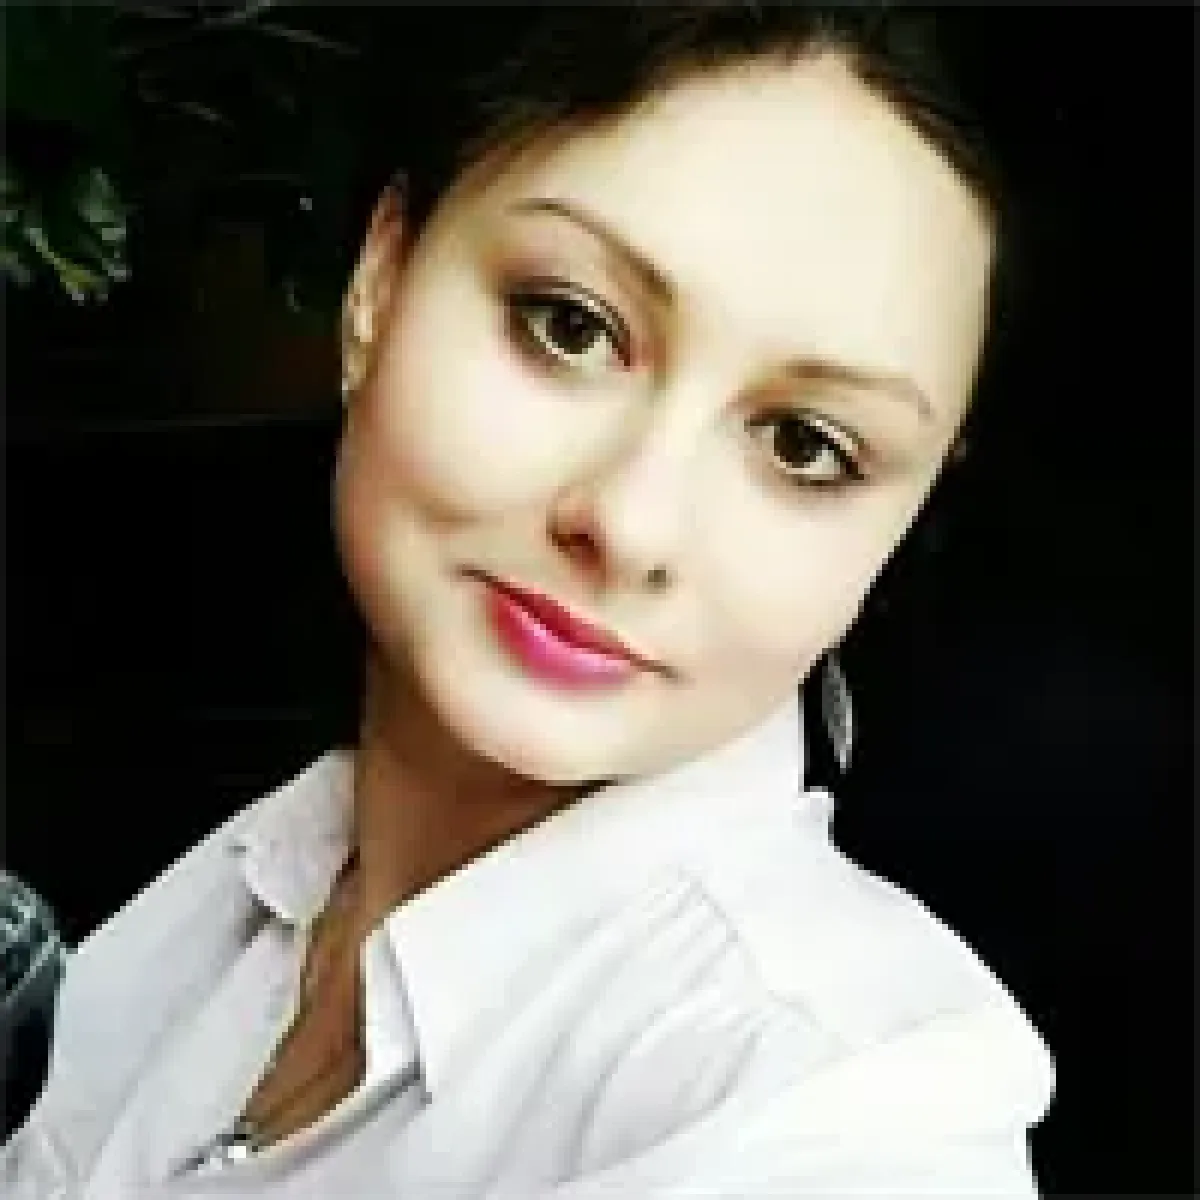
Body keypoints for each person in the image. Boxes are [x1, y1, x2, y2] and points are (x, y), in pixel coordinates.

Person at [3, 1, 1056, 1195]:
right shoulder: (244, 893)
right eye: (570, 326)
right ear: (380, 278)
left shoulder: (834, 1101)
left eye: (806, 446)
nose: (631, 523)